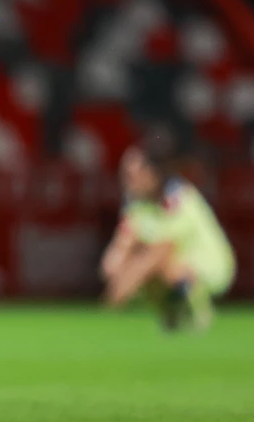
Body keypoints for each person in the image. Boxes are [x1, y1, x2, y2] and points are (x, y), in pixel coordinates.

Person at [100, 135, 235, 330]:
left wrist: (115, 299)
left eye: (133, 175)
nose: (128, 181)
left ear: (152, 173)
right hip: (171, 264)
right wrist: (117, 271)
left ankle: (195, 308)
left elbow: (161, 250)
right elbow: (115, 257)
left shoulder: (178, 198)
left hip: (207, 267)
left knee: (154, 264)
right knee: (133, 267)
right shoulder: (137, 205)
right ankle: (173, 313)